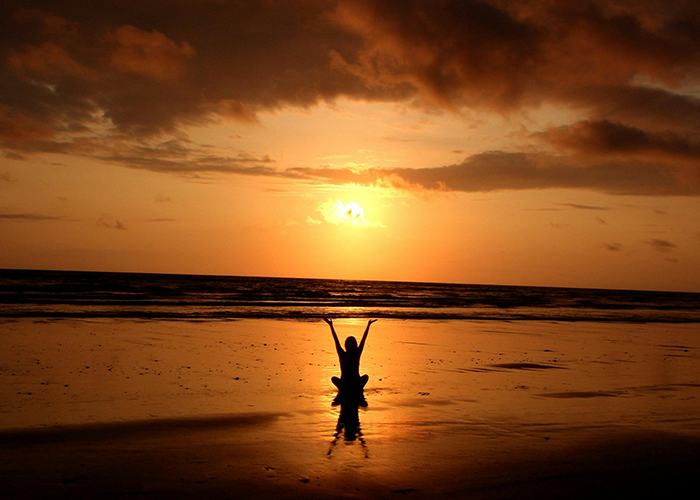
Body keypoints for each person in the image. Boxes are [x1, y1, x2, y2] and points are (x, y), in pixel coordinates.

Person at [324, 318, 376, 393]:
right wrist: (368, 325)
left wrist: (331, 326)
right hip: (354, 383)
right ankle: (354, 388)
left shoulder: (343, 354)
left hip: (345, 383)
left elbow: (336, 340)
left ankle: (347, 388)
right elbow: (363, 339)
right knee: (365, 377)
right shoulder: (355, 353)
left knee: (334, 379)